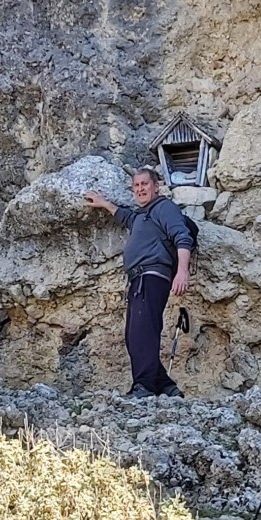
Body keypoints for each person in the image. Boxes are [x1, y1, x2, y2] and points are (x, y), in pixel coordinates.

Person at [84, 168, 192, 399]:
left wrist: (182, 272)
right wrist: (104, 203)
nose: (141, 189)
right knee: (135, 335)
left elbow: (183, 237)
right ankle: (165, 385)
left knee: (142, 333)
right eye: (137, 185)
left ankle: (143, 387)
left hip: (151, 276)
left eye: (145, 184)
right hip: (140, 279)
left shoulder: (164, 208)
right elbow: (126, 217)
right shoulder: (142, 216)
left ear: (156, 186)